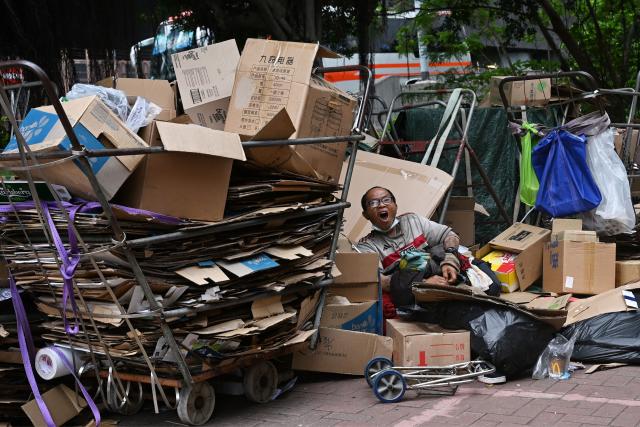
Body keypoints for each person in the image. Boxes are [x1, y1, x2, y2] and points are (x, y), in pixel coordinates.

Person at [356, 186, 461, 292]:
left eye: (386, 200)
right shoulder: (366, 246)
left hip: (441, 276)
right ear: (366, 215)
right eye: (373, 203)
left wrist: (450, 260)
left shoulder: (413, 220)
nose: (382, 205)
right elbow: (378, 280)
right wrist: (423, 284)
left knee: (440, 250)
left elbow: (450, 235)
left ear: (395, 206)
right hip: (410, 293)